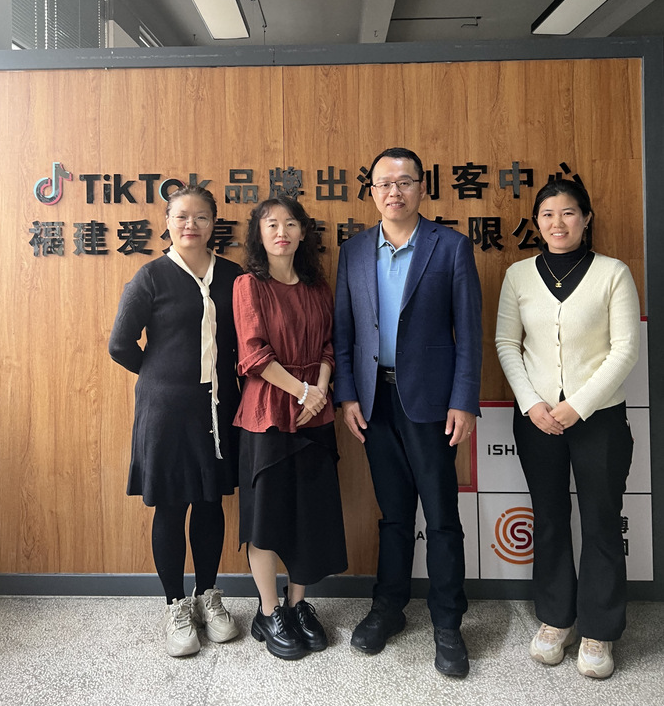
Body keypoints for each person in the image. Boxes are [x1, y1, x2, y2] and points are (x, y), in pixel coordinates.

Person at [333, 147, 482, 678]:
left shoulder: (451, 246)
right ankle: (388, 607)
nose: (393, 191)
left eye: (404, 182)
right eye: (383, 183)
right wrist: (347, 395)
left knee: (441, 516)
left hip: (433, 403)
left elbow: (469, 331)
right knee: (393, 513)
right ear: (372, 191)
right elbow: (344, 332)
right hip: (374, 401)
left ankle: (448, 622)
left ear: (422, 187)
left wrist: (464, 399)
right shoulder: (353, 251)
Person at [495, 179, 639, 679]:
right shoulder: (518, 275)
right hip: (536, 419)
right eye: (548, 215)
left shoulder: (613, 273)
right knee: (550, 517)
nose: (558, 223)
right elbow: (506, 343)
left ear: (586, 218)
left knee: (601, 521)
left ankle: (599, 629)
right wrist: (532, 403)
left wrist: (577, 406)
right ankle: (557, 618)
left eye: (569, 213)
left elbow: (625, 348)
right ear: (537, 222)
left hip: (600, 420)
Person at [109, 185, 241, 657]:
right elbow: (120, 344)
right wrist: (160, 375)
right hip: (166, 411)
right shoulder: (151, 277)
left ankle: (208, 596)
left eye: (201, 217)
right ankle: (174, 605)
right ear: (167, 222)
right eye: (182, 216)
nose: (191, 225)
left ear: (213, 224)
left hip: (219, 408)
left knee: (209, 502)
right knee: (170, 505)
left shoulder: (233, 275)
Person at [232, 195, 348, 661]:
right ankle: (269, 611)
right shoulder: (248, 285)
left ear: (303, 233)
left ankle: (298, 606)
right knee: (265, 518)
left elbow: (329, 345)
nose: (281, 232)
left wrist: (318, 389)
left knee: (310, 515)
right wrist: (303, 392)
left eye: (290, 224)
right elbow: (253, 354)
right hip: (267, 413)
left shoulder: (319, 288)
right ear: (259, 235)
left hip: (314, 410)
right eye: (271, 224)